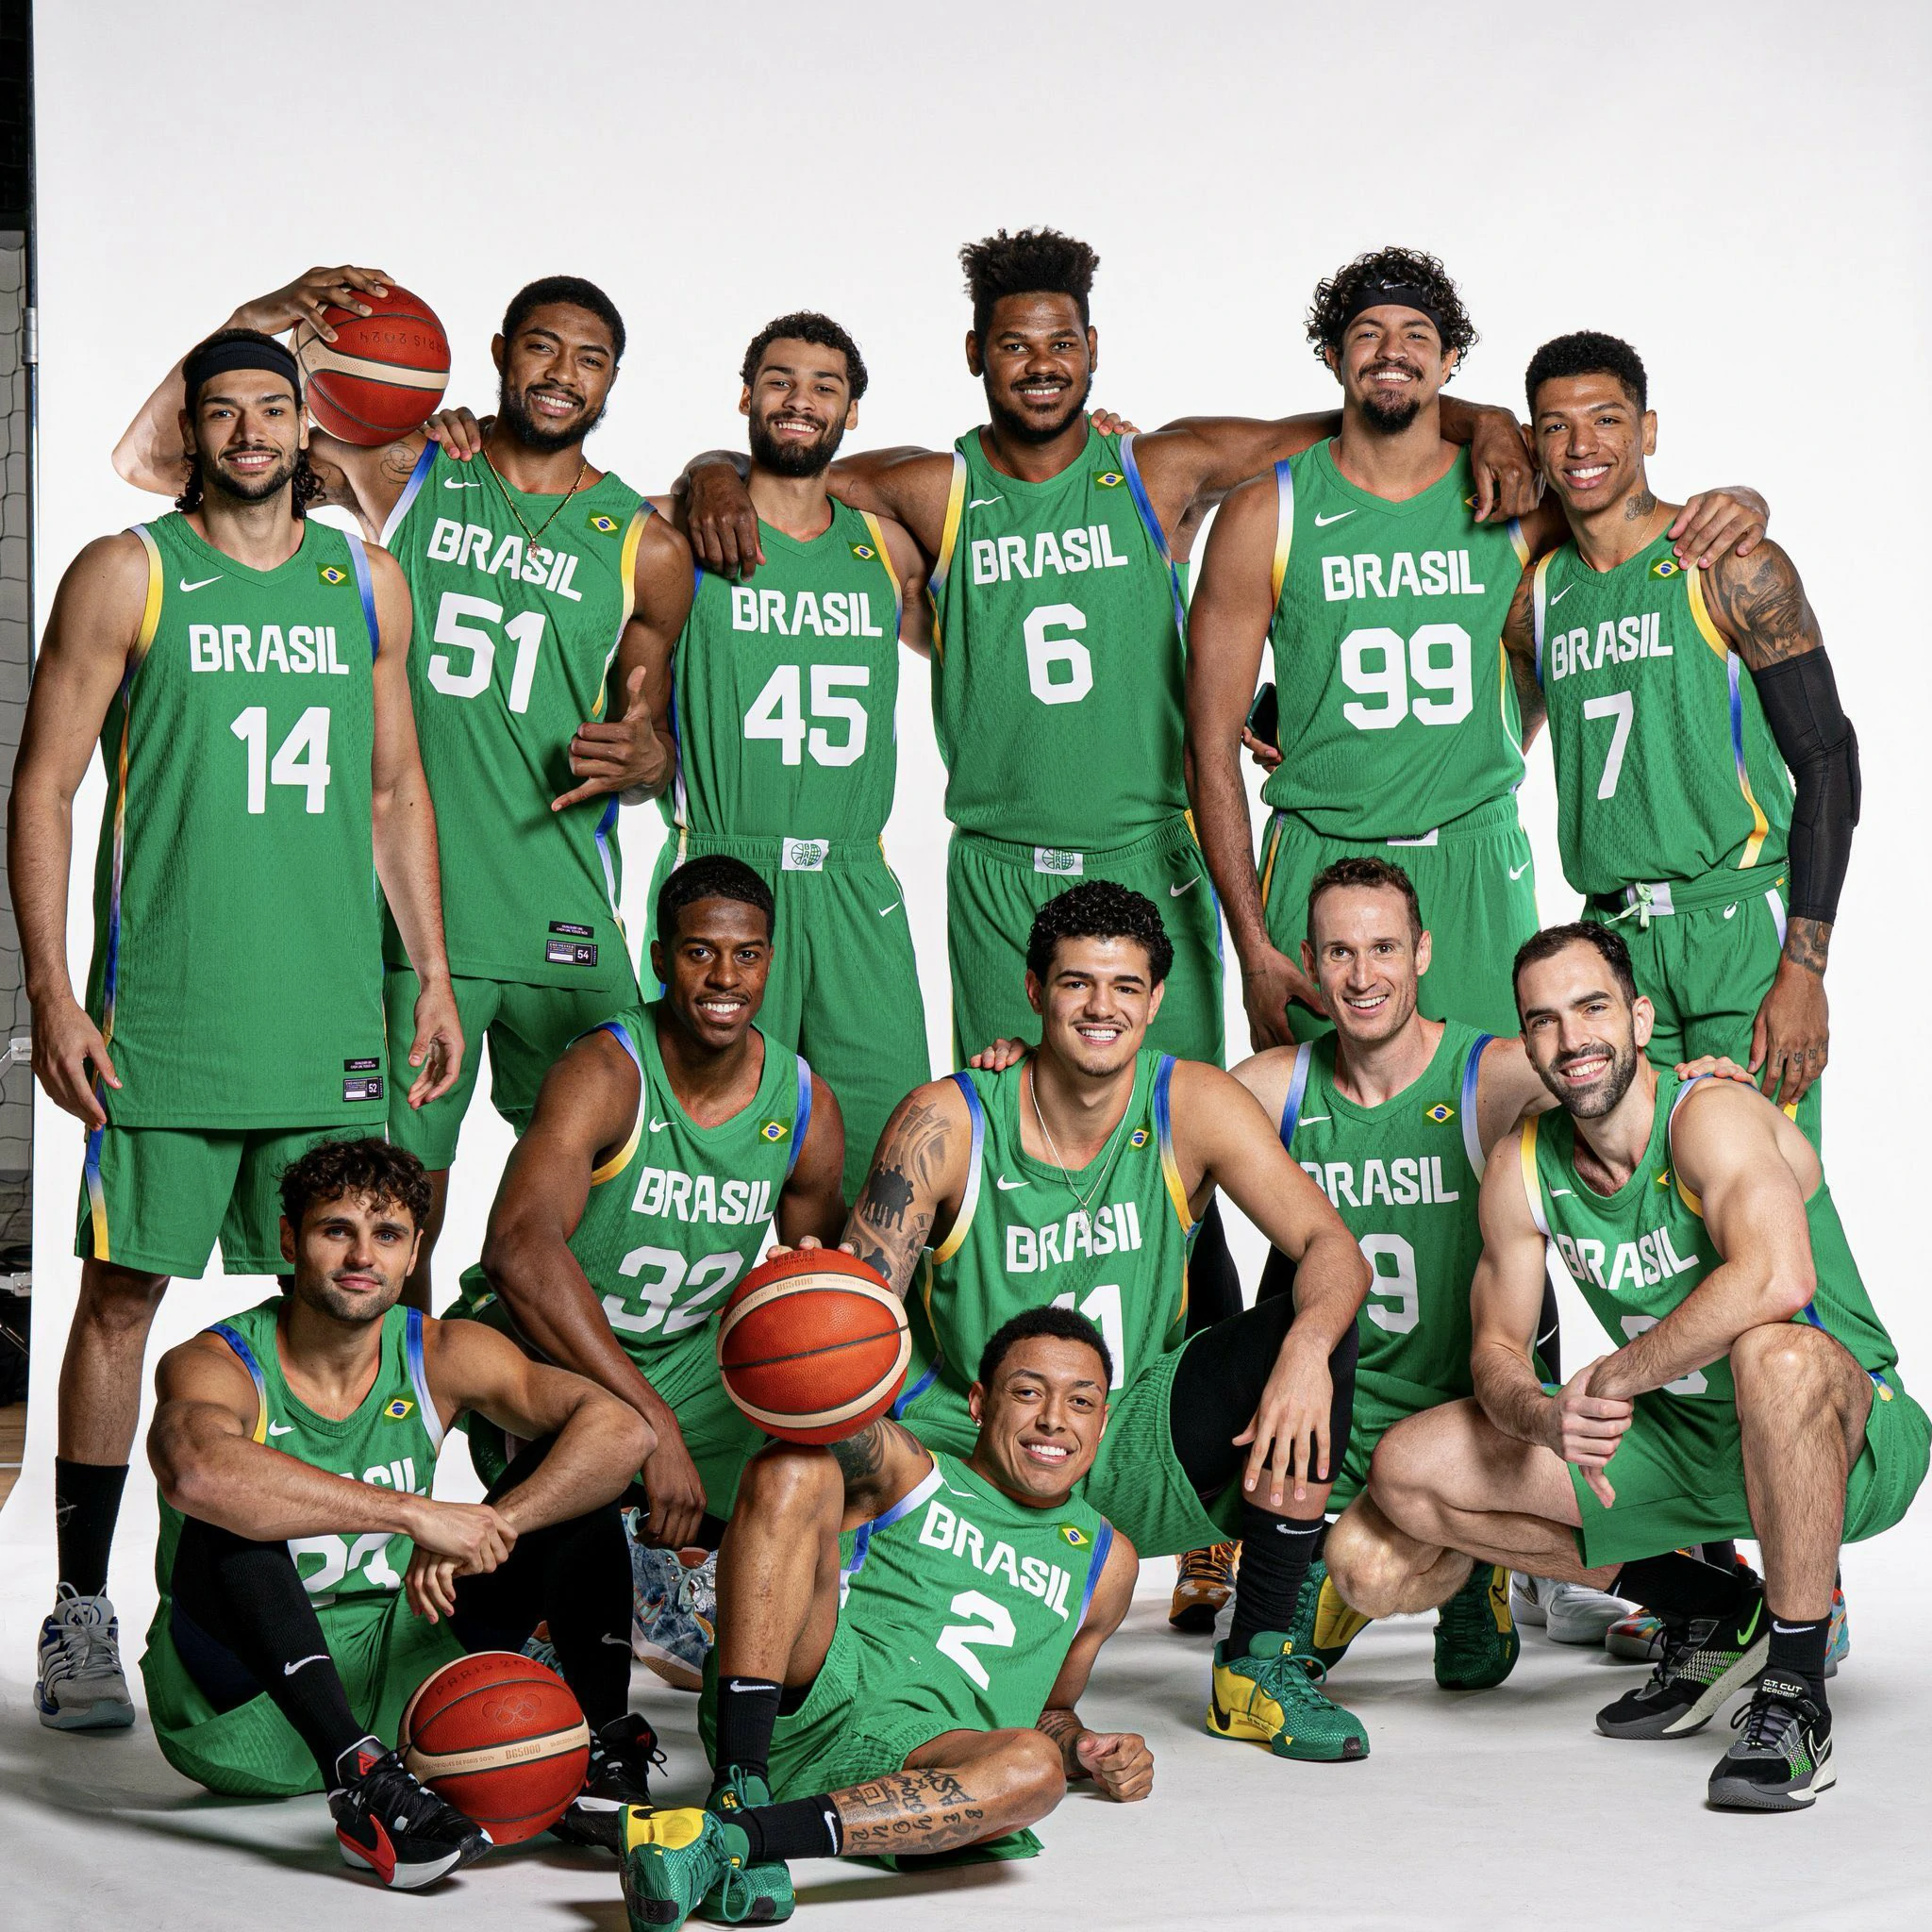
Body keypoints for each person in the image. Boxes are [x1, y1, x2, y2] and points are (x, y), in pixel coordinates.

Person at [16, 326, 461, 1733]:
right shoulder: (128, 573)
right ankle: (81, 1602)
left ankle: (370, 1592)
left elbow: (397, 794)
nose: (252, 433)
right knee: (123, 1301)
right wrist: (49, 993)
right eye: (226, 413)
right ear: (195, 431)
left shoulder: (363, 580)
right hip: (166, 1021)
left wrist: (434, 972)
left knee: (356, 1306)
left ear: (305, 425)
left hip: (331, 1014)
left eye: (275, 409)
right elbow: (43, 790)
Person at [114, 266, 694, 1302]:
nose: (562, 374)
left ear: (614, 383)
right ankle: (404, 1431)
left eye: (589, 358)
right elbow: (159, 460)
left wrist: (651, 763)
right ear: (499, 353)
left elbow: (650, 742)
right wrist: (254, 324)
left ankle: (548, 1421)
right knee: (395, 1219)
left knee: (620, 1192)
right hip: (412, 920)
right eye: (541, 347)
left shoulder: (647, 546)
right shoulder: (407, 466)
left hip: (564, 914)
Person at [1330, 924, 1926, 1810]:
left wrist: (1615, 1377)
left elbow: (1777, 1276)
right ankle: (1717, 1608)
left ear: (1641, 1018)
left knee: (1775, 1352)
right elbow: (1494, 1350)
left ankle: (1797, 1696)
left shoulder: (1707, 1114)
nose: (1572, 1040)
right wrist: (1539, 1416)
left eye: (1593, 1008)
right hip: (1684, 1441)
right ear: (1525, 1040)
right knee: (1407, 1476)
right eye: (1544, 1020)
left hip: (1845, 1433)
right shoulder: (1524, 1162)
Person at [1185, 247, 1771, 1047]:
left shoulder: (1519, 498)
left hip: (1476, 852)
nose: (1393, 352)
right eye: (1368, 333)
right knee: (1313, 1138)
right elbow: (1208, 743)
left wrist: (1743, 498)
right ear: (1333, 356)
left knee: (1505, 1121)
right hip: (1319, 858)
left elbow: (1637, 518)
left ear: (1450, 358)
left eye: (1417, 334)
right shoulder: (1267, 513)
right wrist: (1253, 949)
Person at [847, 880, 1378, 1760]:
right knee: (931, 1687)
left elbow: (1333, 1247)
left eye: (1125, 987)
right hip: (965, 1442)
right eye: (1076, 985)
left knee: (1316, 1327)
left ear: (1156, 1000)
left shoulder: (1189, 1102)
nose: (1102, 1008)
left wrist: (1305, 1356)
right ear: (1033, 991)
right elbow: (855, 1320)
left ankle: (1255, 1665)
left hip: (1125, 1432)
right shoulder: (949, 1119)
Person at [140, 1138, 656, 1885]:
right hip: (244, 1699)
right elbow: (193, 1471)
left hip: (401, 1671)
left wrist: (495, 1522)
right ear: (290, 1240)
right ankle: (357, 1782)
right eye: (335, 1230)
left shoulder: (440, 1351)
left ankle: (606, 1753)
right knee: (229, 1516)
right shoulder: (218, 1361)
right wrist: (414, 1514)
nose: (362, 1256)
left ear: (413, 1255)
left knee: (574, 1492)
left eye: (387, 1236)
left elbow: (622, 1429)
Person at [620, 1307, 1149, 1930]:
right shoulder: (912, 1471)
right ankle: (738, 1780)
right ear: (979, 1403)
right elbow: (823, 1402)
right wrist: (799, 1308)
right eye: (1027, 1392)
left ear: (1103, 1419)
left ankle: (730, 1842)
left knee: (1037, 1768)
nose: (1054, 1419)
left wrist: (1085, 1748)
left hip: (929, 1762)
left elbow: (1050, 1711)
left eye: (1081, 1402)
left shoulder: (1107, 1561)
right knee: (796, 1462)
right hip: (810, 1698)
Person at [1231, 857, 1628, 1683]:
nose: (1362, 974)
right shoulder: (1276, 1089)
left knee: (1407, 1604)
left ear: (1422, 952)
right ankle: (1436, 1561)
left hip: (1472, 1432)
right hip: (1338, 1437)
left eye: (1383, 948)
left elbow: (1629, 1094)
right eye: (1339, 953)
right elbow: (1137, 1129)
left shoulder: (1491, 1077)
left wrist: (1705, 1083)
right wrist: (1025, 1070)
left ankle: (1480, 1567)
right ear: (1310, 962)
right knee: (1363, 1573)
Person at [454, 855, 846, 1687]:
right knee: (608, 1446)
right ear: (661, 959)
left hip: (689, 1349)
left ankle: (699, 1581)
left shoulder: (803, 1106)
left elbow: (819, 1283)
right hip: (553, 1344)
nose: (725, 977)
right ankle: (586, 1583)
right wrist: (652, 1418)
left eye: (747, 954)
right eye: (700, 952)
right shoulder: (606, 1072)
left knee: (828, 1418)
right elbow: (518, 1251)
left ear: (771, 958)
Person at [1505, 330, 1853, 1143]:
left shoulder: (1729, 562)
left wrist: (1804, 968)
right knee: (1655, 1206)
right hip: (1613, 945)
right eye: (1556, 426)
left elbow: (1831, 761)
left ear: (1649, 430)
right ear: (1533, 443)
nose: (1582, 445)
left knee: (1767, 1200)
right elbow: (1487, 753)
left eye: (1607, 419)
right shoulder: (1537, 600)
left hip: (1734, 924)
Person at [642, 311, 931, 1201]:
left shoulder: (883, 549)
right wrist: (704, 475)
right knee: (692, 1157)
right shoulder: (673, 532)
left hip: (853, 881)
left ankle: (876, 1338)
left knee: (895, 1161)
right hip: (724, 864)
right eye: (779, 381)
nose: (799, 401)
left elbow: (996, 656)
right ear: (744, 397)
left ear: (853, 416)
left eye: (825, 387)